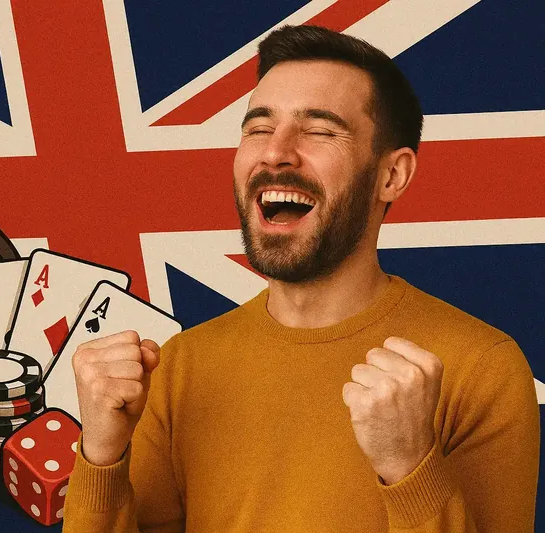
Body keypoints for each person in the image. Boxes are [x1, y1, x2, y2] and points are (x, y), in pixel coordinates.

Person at [62, 24, 540, 532]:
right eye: (258, 128)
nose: (275, 152)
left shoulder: (482, 368)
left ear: (392, 175)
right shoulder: (179, 367)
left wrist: (409, 467)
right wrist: (101, 456)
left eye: (319, 129)